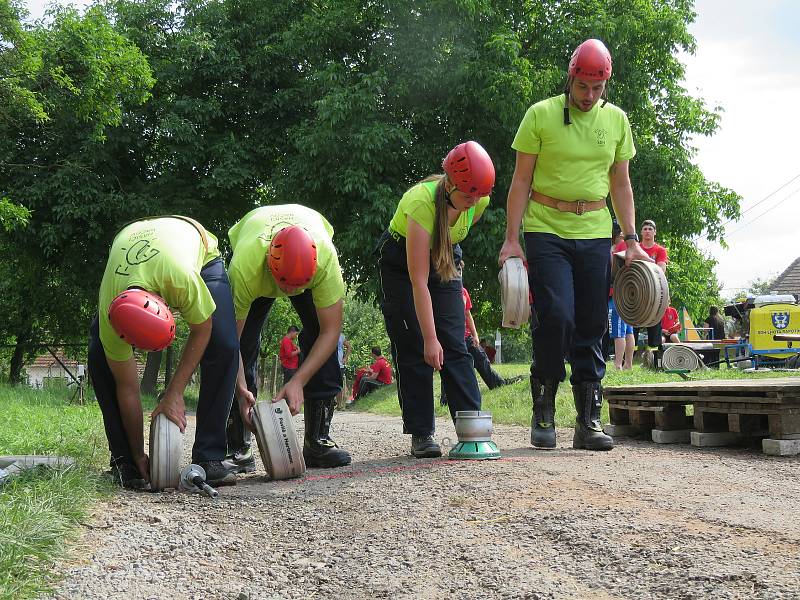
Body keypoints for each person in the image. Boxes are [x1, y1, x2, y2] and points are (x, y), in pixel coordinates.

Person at [499, 39, 650, 452]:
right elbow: (520, 182)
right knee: (557, 315)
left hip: (597, 232)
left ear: (606, 85)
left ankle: (588, 420)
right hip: (546, 229)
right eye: (583, 87)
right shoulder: (541, 115)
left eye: (596, 89)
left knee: (592, 322)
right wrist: (513, 239)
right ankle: (544, 408)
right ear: (571, 78)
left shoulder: (617, 121)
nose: (588, 96)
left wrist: (632, 238)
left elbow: (620, 183)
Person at [88, 216, 239, 489]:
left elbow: (202, 329)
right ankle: (124, 461)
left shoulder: (182, 278)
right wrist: (137, 453)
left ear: (166, 302)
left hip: (196, 248)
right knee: (99, 356)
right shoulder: (109, 310)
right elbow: (127, 388)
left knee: (224, 342)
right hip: (132, 241)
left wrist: (174, 393)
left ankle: (210, 456)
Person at [377, 140, 495, 458]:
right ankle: (422, 432)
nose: (473, 202)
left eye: (478, 194)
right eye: (467, 194)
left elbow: (451, 238)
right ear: (451, 183)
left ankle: (472, 430)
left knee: (456, 344)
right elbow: (418, 280)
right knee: (416, 345)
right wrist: (430, 338)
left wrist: (441, 336)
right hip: (404, 266)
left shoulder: (477, 200)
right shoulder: (421, 204)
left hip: (443, 257)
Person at [227, 205, 351, 469]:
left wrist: (298, 381)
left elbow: (331, 333)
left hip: (305, 261)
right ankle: (237, 445)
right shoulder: (245, 267)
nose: (289, 292)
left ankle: (318, 440)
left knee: (319, 331)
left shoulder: (326, 262)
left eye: (297, 287)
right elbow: (231, 342)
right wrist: (240, 389)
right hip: (257, 265)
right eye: (285, 284)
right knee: (244, 344)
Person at [440, 261, 524, 405]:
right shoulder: (442, 291)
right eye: (456, 270)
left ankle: (497, 383)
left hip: (466, 336)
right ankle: (445, 398)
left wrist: (475, 334)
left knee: (481, 358)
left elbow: (468, 314)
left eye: (460, 271)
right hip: (451, 336)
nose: (459, 273)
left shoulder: (463, 292)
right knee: (450, 365)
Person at [614, 219, 668, 358]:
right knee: (633, 324)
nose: (647, 231)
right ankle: (633, 356)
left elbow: (661, 269)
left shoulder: (660, 250)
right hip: (635, 292)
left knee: (655, 324)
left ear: (655, 232)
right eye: (645, 229)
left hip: (655, 293)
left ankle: (653, 357)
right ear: (641, 232)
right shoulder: (634, 247)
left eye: (650, 229)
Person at [608, 224, 635, 369]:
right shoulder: (629, 246)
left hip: (616, 294)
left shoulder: (619, 247)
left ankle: (618, 364)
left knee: (618, 330)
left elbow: (612, 270)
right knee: (628, 329)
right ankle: (628, 364)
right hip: (627, 294)